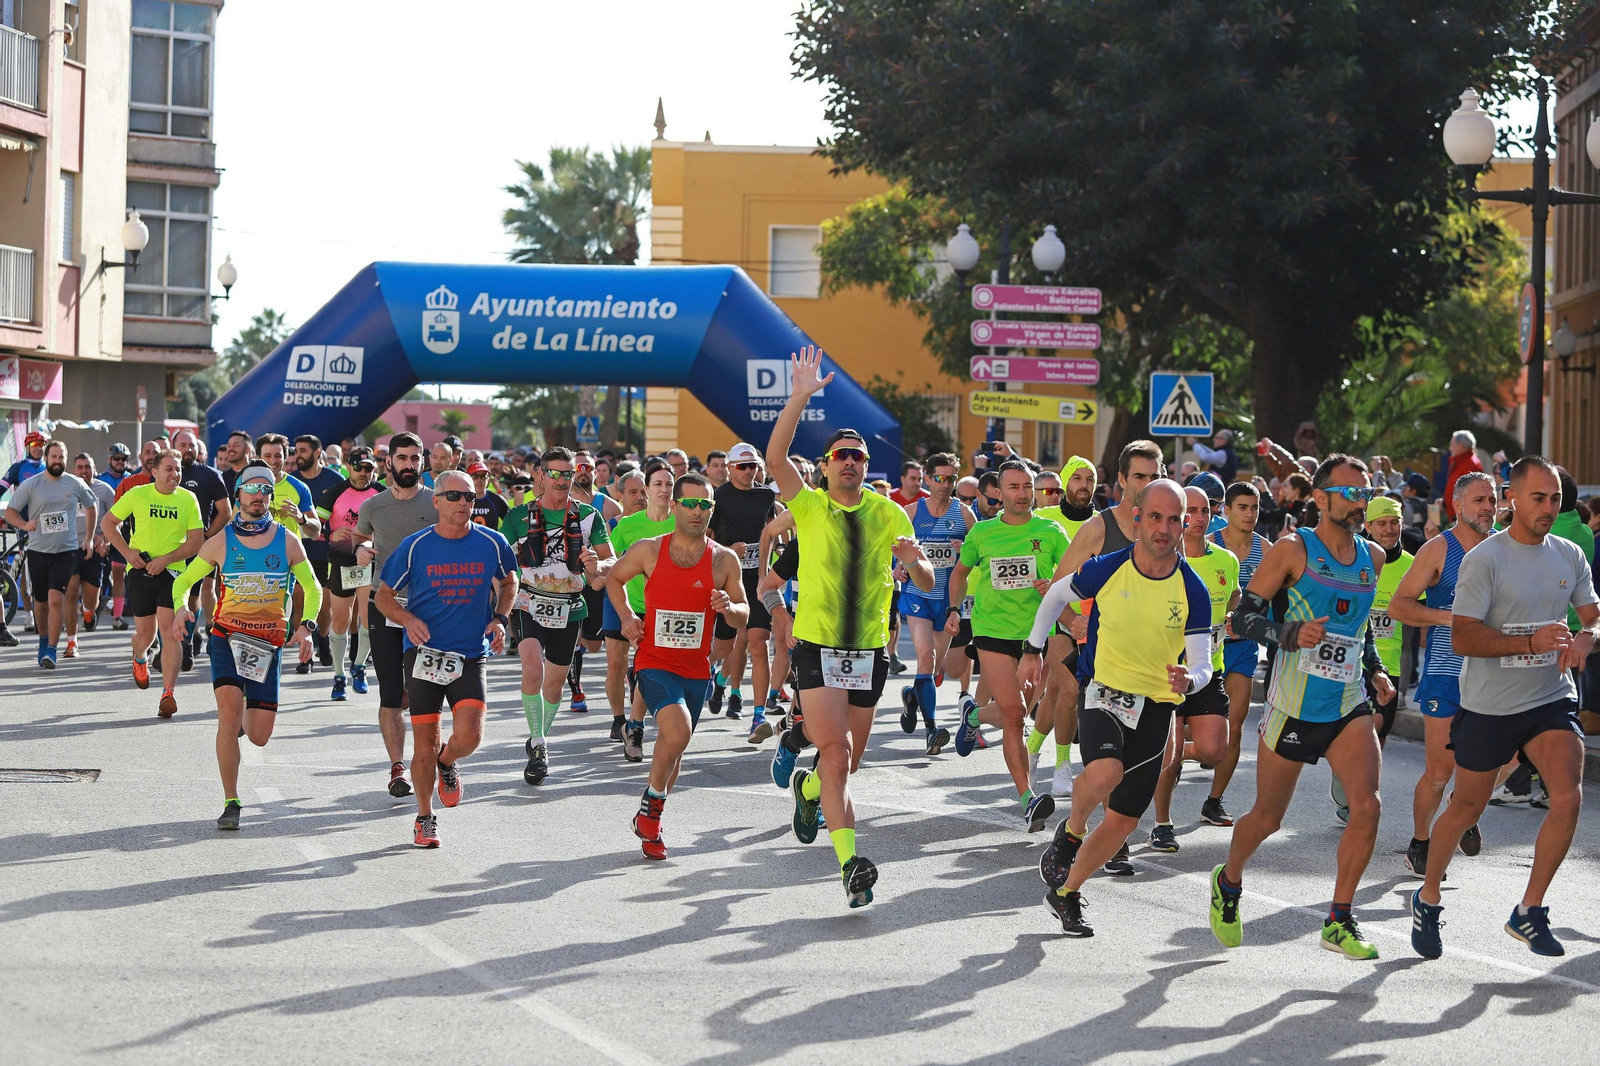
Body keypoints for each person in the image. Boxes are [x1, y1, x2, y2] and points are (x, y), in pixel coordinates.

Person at [1411, 456, 1599, 959]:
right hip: (1489, 704)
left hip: (1550, 698)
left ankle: (1529, 910)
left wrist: (1587, 638)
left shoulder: (1568, 555)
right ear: (1512, 499)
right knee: (1466, 807)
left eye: (1556, 498)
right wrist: (1532, 640)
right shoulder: (1485, 559)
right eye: (1538, 498)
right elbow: (1466, 637)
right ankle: (1428, 897)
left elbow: (1593, 615)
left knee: (1568, 796)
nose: (1548, 507)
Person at [766, 346, 934, 908]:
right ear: (824, 465)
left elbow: (929, 581)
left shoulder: (890, 514)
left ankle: (808, 789)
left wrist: (914, 561)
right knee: (835, 753)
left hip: (869, 653)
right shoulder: (810, 507)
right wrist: (799, 396)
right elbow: (773, 457)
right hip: (817, 647)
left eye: (858, 456)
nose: (850, 463)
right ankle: (850, 865)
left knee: (846, 762)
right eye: (840, 455)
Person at [1208, 455, 1391, 960]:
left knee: (1367, 807)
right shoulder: (1293, 549)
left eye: (1365, 491)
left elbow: (1359, 624)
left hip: (1347, 700)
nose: (1360, 501)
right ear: (1320, 497)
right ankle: (1228, 879)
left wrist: (1374, 668)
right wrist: (1288, 633)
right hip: (1294, 704)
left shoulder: (1371, 557)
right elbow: (1242, 620)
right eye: (1350, 492)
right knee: (1267, 818)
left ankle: (1339, 918)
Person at [1023, 479, 1213, 936]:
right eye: (1155, 517)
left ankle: (1066, 892)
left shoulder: (1193, 589)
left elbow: (1203, 664)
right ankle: (1071, 831)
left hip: (1156, 710)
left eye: (1173, 519)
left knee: (1125, 819)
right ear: (1136, 519)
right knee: (1105, 773)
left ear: (1184, 523)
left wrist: (1191, 679)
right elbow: (1055, 595)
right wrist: (1032, 647)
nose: (1164, 528)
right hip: (1105, 694)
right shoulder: (1108, 568)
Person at [168, 462, 319, 830]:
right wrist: (181, 609)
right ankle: (231, 801)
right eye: (251, 489)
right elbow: (182, 582)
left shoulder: (287, 540)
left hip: (268, 644)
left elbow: (312, 587)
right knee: (228, 716)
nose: (259, 496)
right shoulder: (220, 541)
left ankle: (244, 714)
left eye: (266, 490)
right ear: (238, 494)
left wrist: (307, 627)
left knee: (259, 735)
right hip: (227, 638)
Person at [608, 472, 749, 859]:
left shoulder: (723, 559)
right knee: (678, 730)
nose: (697, 511)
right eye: (689, 503)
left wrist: (729, 608)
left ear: (712, 510)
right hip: (654, 661)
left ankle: (650, 815)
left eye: (705, 505)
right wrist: (625, 617)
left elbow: (743, 614)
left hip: (696, 668)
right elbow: (615, 579)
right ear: (674, 507)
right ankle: (650, 811)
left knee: (676, 747)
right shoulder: (650, 550)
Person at [375, 470, 515, 848]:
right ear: (435, 501)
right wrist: (406, 618)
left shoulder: (492, 541)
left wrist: (500, 618)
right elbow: (383, 596)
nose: (462, 504)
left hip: (470, 653)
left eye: (469, 498)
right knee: (423, 745)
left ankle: (448, 762)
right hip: (423, 655)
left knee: (469, 736)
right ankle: (424, 816)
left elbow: (509, 580)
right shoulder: (416, 545)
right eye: (453, 496)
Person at [946, 460, 1070, 829]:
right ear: (999, 492)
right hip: (992, 631)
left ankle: (973, 715)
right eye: (1014, 487)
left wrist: (1056, 587)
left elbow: (1071, 576)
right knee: (1015, 716)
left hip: (1038, 634)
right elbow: (960, 573)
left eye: (1028, 486)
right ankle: (1027, 798)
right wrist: (954, 609)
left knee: (1020, 711)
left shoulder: (1051, 531)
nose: (1022, 493)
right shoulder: (983, 533)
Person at [1385, 472, 1496, 873]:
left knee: (1519, 755)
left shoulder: (1506, 547)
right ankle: (1421, 840)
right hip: (1447, 673)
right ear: (1458, 505)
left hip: (1496, 673)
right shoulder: (1438, 549)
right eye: (1480, 500)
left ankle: (1461, 806)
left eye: (1493, 499)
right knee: (1439, 771)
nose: (1488, 507)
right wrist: (1449, 618)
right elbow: (1400, 607)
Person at [499, 446, 613, 785]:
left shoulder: (590, 515)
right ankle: (539, 745)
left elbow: (611, 561)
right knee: (533, 668)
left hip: (569, 604)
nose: (563, 480)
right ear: (540, 475)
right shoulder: (518, 517)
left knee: (555, 682)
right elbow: (501, 563)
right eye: (556, 473)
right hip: (528, 602)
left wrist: (598, 565)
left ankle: (538, 737)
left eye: (569, 473)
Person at [1148, 485, 1238, 851]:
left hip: (1206, 669)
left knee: (1215, 749)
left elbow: (1233, 595)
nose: (1200, 518)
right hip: (1165, 672)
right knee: (1170, 755)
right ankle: (1162, 823)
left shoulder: (1226, 560)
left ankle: (1155, 750)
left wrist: (1232, 616)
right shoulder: (1156, 560)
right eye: (1193, 511)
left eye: (1206, 511)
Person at [353, 434, 438, 797]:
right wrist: (361, 549)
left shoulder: (437, 502)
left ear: (422, 462)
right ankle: (398, 767)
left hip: (427, 607)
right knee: (390, 694)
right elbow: (359, 538)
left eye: (415, 458)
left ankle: (433, 759)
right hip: (383, 603)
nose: (408, 464)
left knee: (422, 693)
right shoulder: (373, 506)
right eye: (402, 458)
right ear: (389, 462)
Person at [1325, 496, 1414, 824]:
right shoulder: (1355, 559)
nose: (1390, 529)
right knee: (1355, 732)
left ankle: (1358, 790)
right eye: (1382, 524)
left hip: (1388, 665)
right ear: (1369, 527)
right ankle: (1351, 783)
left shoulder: (1413, 565)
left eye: (1394, 522)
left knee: (1378, 733)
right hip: (1347, 661)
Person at [101, 448, 204, 716]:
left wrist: (166, 559)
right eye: (169, 469)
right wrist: (127, 553)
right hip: (141, 571)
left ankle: (168, 693)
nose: (175, 474)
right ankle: (139, 656)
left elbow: (196, 541)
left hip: (173, 575)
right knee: (145, 635)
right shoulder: (138, 494)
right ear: (155, 472)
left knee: (171, 631)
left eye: (178, 469)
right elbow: (108, 523)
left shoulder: (188, 499)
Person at [896, 452, 975, 755]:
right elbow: (893, 549)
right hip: (917, 595)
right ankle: (932, 730)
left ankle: (912, 699)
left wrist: (966, 548)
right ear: (927, 479)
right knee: (926, 656)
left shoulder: (965, 515)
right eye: (939, 478)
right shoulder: (912, 511)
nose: (945, 484)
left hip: (948, 599)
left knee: (934, 666)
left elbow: (979, 554)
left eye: (951, 479)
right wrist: (897, 567)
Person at [1203, 481, 1268, 826]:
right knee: (1187, 726)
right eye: (1242, 507)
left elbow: (1275, 599)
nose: (1249, 514)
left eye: (1255, 507)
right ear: (1226, 510)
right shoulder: (1208, 545)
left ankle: (1214, 800)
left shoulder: (1268, 550)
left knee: (1236, 723)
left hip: (1242, 647)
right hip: (1204, 645)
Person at [4, 440, 100, 668]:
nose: (57, 461)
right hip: (38, 551)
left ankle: (52, 650)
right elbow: (10, 512)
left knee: (57, 599)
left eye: (61, 457)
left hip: (66, 551)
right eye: (54, 457)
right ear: (46, 458)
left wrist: (88, 538)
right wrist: (25, 524)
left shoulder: (75, 483)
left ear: (65, 460)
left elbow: (91, 507)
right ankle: (43, 639)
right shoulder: (32, 484)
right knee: (41, 602)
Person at [706, 442, 781, 731]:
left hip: (757, 580)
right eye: (742, 467)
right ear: (730, 468)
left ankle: (758, 714)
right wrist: (728, 550)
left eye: (753, 466)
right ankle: (716, 676)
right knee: (730, 645)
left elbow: (771, 532)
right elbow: (705, 539)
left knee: (759, 644)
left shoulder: (765, 495)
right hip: (727, 580)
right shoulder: (719, 497)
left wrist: (766, 569)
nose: (748, 472)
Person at [605, 463, 673, 752]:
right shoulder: (627, 526)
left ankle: (635, 723)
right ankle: (623, 720)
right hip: (627, 603)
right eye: (658, 484)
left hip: (664, 608)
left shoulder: (682, 522)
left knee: (646, 667)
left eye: (669, 485)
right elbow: (609, 557)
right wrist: (598, 571)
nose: (663, 490)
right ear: (648, 489)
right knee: (617, 663)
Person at [320, 447, 383, 700]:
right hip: (341, 562)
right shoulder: (335, 492)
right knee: (340, 621)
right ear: (348, 466)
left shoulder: (381, 494)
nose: (363, 473)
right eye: (359, 467)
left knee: (368, 620)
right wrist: (331, 534)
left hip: (369, 563)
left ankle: (359, 667)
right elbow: (316, 527)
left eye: (368, 468)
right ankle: (338, 675)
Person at [174, 429, 232, 672]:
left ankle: (189, 641)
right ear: (173, 445)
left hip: (201, 548)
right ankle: (186, 636)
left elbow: (225, 511)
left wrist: (207, 537)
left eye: (191, 444)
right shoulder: (165, 473)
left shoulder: (209, 475)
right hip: (170, 549)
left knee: (196, 595)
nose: (187, 449)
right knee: (172, 597)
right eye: (182, 444)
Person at [294, 434, 344, 668]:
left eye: (303, 450)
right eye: (296, 450)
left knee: (324, 606)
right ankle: (305, 653)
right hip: (298, 550)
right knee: (299, 600)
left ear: (317, 453)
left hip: (325, 551)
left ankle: (323, 638)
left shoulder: (334, 480)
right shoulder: (293, 482)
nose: (298, 455)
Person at [68, 454, 115, 648]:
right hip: (70, 548)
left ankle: (88, 610)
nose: (84, 471)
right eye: (80, 467)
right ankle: (72, 641)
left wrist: (105, 539)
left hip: (96, 549)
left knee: (91, 598)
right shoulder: (67, 489)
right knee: (69, 593)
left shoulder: (104, 491)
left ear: (94, 468)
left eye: (87, 467)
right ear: (74, 470)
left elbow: (116, 521)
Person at [1442, 430, 1484, 521]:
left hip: (1462, 519)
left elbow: (1470, 495)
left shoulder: (1471, 464)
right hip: (1455, 515)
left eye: (1452, 445)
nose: (1450, 448)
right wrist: (1444, 503)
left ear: (1460, 445)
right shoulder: (1461, 462)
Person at [467, 462, 508, 530]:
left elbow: (511, 523)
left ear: (488, 479)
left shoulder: (497, 500)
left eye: (483, 476)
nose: (479, 480)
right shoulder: (461, 499)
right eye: (475, 476)